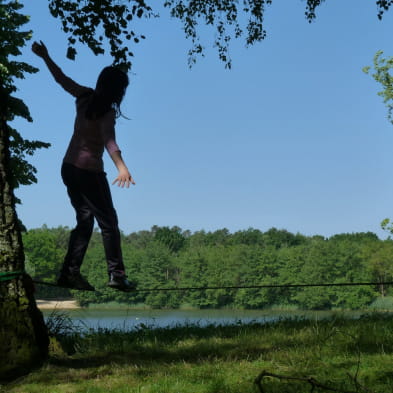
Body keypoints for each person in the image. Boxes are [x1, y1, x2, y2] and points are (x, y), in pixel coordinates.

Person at [31, 40, 136, 292]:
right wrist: (122, 167)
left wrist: (45, 56)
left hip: (68, 168)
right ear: (117, 91)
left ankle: (69, 273)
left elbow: (62, 79)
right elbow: (109, 141)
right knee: (108, 222)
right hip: (89, 172)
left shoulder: (84, 96)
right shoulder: (107, 112)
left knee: (85, 221)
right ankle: (117, 274)